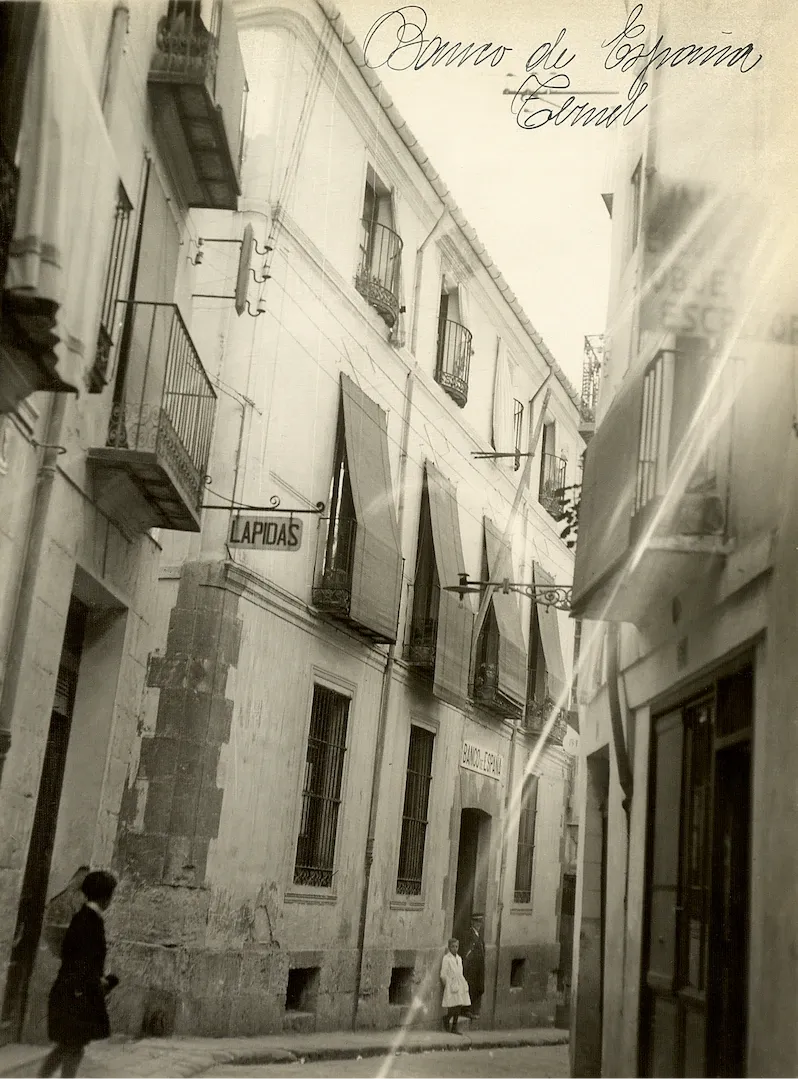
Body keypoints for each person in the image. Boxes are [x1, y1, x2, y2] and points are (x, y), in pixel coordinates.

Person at [39, 870, 119, 1080]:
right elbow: (82, 962)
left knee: (70, 1046)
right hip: (76, 995)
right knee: (72, 1047)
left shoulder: (84, 918)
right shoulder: (90, 922)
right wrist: (97, 983)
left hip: (73, 991)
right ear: (105, 897)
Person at [439, 937, 470, 1034]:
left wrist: (463, 982)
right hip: (451, 984)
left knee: (459, 1004)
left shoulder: (459, 958)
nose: (455, 949)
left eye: (456, 946)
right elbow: (443, 974)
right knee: (453, 1006)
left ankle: (454, 1027)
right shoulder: (446, 958)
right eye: (452, 947)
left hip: (459, 983)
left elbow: (460, 972)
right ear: (449, 947)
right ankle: (447, 1018)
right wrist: (446, 985)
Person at [461, 913, 486, 1020]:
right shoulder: (469, 934)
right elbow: (467, 951)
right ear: (472, 922)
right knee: (470, 987)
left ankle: (471, 1008)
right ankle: (466, 1010)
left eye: (480, 922)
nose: (479, 924)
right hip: (471, 967)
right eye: (477, 922)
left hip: (479, 967)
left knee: (480, 988)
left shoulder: (479, 936)